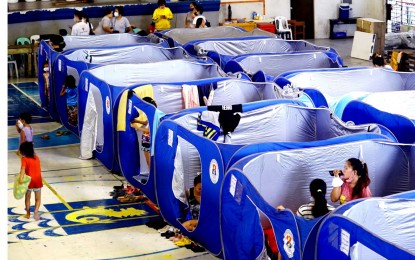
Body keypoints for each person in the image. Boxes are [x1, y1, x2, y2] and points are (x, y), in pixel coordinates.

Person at [18, 142, 43, 221]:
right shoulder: (37, 157)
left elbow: (23, 169)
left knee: (27, 198)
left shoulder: (24, 159)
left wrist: (20, 179)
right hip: (38, 180)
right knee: (38, 199)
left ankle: (28, 214)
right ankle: (36, 212)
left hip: (29, 181)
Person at [130, 97, 157, 168]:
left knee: (149, 161)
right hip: (146, 139)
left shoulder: (155, 115)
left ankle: (151, 177)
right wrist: (137, 121)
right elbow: (147, 123)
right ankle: (150, 175)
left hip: (148, 140)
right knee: (147, 160)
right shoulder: (152, 114)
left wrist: (136, 127)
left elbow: (149, 130)